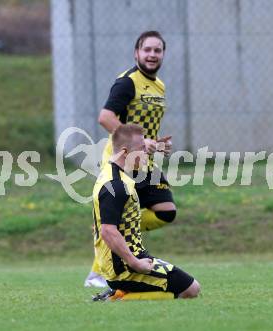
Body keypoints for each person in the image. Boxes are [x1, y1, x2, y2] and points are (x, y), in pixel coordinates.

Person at [85, 31, 177, 287]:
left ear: (163, 54)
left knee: (166, 212)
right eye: (147, 49)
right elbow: (106, 117)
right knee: (116, 220)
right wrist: (137, 143)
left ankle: (106, 228)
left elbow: (143, 127)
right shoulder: (127, 82)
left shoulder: (159, 85)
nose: (152, 54)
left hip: (144, 163)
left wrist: (155, 144)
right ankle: (97, 273)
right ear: (136, 53)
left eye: (157, 50)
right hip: (123, 161)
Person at [92, 124, 200, 300]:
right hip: (124, 266)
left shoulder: (112, 174)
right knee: (191, 290)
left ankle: (120, 293)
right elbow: (108, 231)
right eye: (142, 149)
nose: (147, 154)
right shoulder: (116, 186)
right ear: (126, 152)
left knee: (189, 287)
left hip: (129, 259)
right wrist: (136, 263)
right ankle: (115, 298)